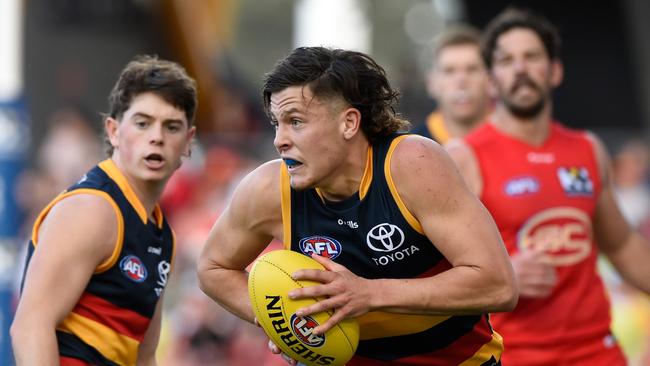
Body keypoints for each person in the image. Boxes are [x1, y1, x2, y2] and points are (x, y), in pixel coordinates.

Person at [198, 46, 517, 365]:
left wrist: (370, 294)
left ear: (349, 123)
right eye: (276, 123)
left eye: (295, 122)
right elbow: (213, 268)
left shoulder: (412, 165)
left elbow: (498, 285)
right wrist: (282, 322)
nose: (279, 140)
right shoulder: (268, 188)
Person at [446, 8, 650, 366]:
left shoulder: (588, 149)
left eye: (531, 56)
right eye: (507, 60)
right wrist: (500, 275)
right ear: (492, 80)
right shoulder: (462, 157)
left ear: (554, 71)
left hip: (598, 352)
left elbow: (622, 244)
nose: (520, 68)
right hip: (513, 356)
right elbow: (430, 271)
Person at [11, 55, 197, 365]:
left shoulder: (164, 236)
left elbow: (144, 356)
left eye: (172, 126)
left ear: (188, 142)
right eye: (142, 123)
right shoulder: (92, 209)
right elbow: (30, 326)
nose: (156, 137)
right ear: (113, 131)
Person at [411, 25, 491, 144]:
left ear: (491, 79)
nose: (461, 80)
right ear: (431, 83)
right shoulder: (410, 148)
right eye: (449, 71)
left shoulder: (514, 136)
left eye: (472, 69)